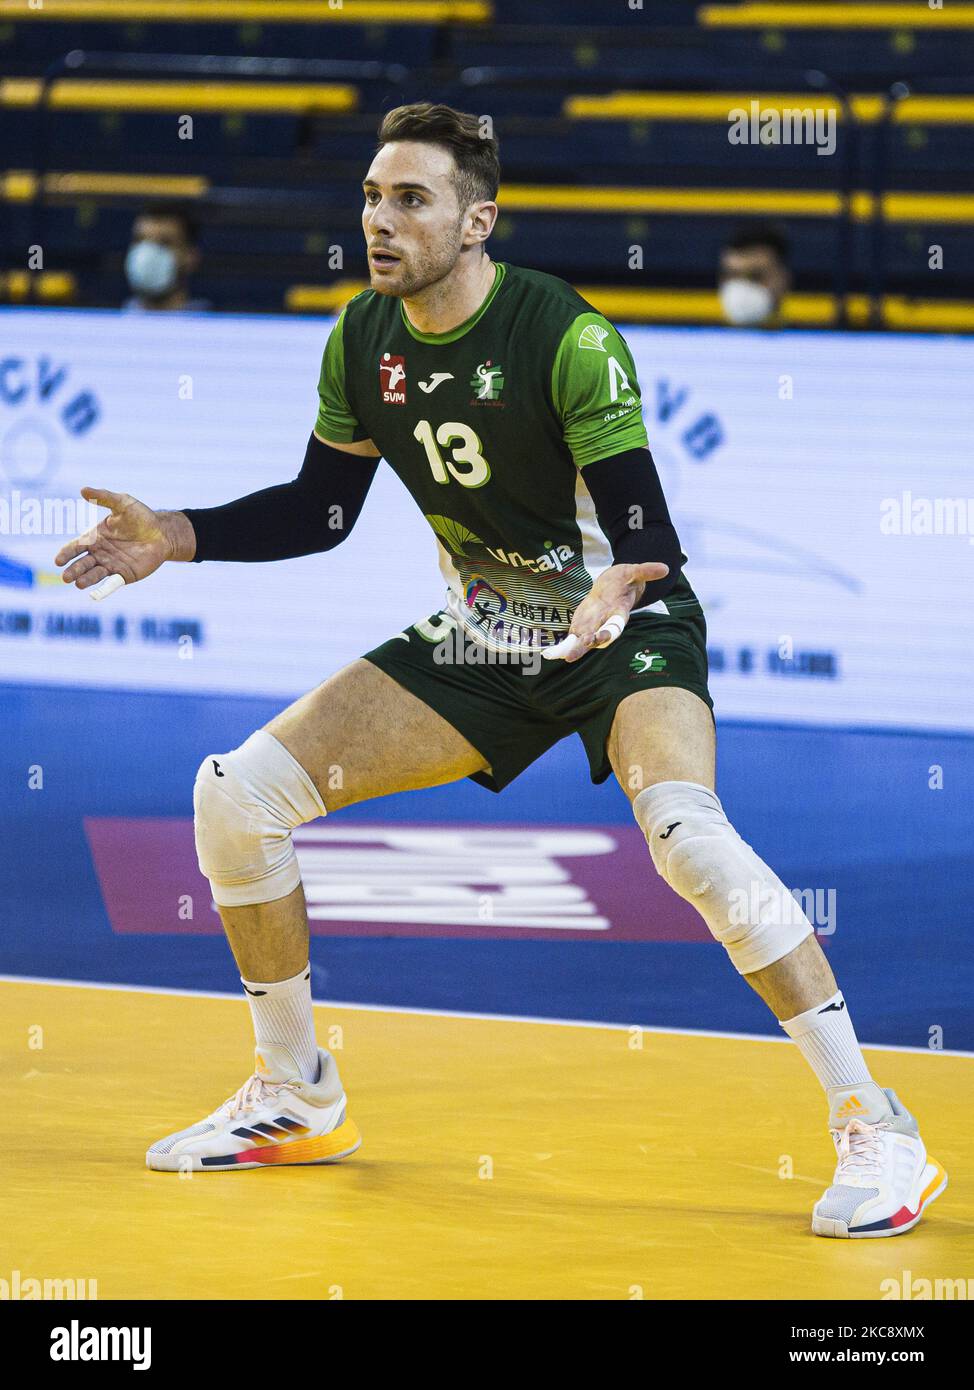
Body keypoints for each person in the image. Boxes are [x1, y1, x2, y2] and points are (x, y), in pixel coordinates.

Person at [56, 104, 945, 1237]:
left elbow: (642, 536)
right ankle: (296, 1093)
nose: (379, 221)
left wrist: (613, 595)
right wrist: (176, 534)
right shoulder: (360, 336)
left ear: (477, 221)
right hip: (485, 638)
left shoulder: (563, 336)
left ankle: (875, 1121)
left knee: (686, 834)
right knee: (236, 798)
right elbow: (323, 511)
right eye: (372, 197)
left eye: (409, 200)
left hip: (622, 630)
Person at [122, 201, 211, 313]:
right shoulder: (105, 323)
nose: (148, 254)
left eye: (164, 243)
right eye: (139, 240)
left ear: (191, 257)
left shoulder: (213, 326)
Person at [718, 223, 792, 327]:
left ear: (783, 279)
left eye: (755, 276)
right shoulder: (696, 340)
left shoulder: (811, 341)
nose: (742, 289)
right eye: (733, 275)